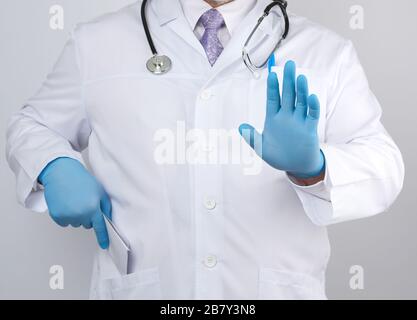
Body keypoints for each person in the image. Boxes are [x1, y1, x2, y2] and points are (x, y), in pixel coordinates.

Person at [6, 0, 404, 300]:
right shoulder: (96, 43)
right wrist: (53, 165)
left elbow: (385, 168)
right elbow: (31, 125)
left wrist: (314, 167)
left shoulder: (325, 52)